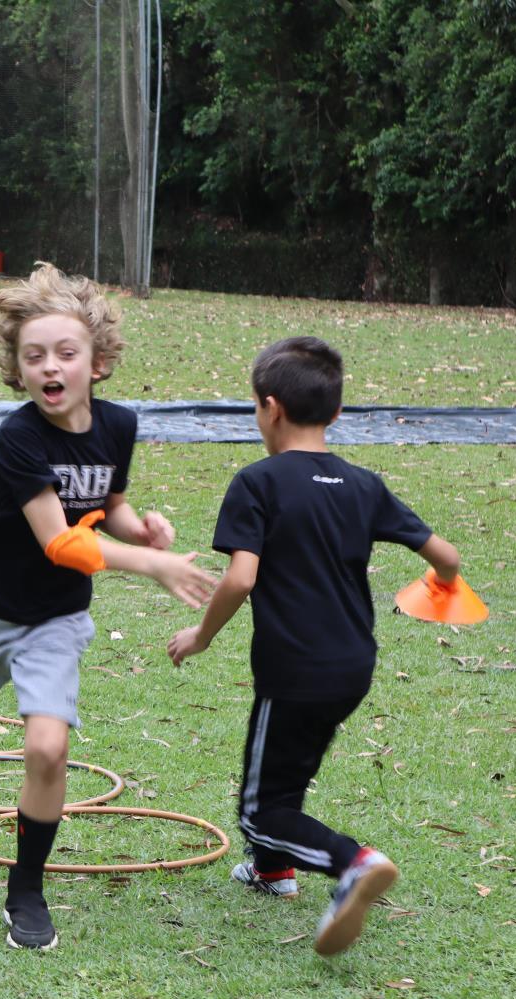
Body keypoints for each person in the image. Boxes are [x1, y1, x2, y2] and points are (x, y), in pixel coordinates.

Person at [0, 263, 215, 950]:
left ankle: (26, 889)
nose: (50, 366)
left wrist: (140, 531)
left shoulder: (119, 425)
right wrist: (151, 564)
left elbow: (105, 505)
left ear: (98, 363)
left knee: (48, 744)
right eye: (34, 356)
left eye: (66, 352)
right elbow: (63, 541)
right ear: (18, 368)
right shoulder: (19, 439)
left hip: (56, 617)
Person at [166, 336, 463, 956]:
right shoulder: (363, 484)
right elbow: (446, 558)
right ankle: (273, 871)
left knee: (260, 811)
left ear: (270, 408)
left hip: (293, 668)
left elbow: (242, 578)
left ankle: (352, 863)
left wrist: (200, 635)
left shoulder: (257, 483)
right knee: (288, 770)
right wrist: (441, 588)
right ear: (333, 414)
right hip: (353, 664)